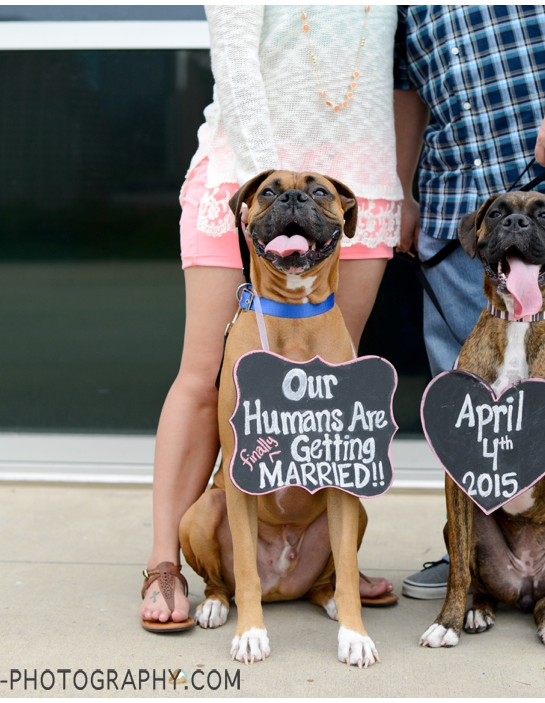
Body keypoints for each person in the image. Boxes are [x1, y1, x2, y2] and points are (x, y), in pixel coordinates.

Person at [140, 5, 403, 630]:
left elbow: (401, 80)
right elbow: (233, 62)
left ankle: (319, 562)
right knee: (206, 382)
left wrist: (399, 183)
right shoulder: (260, 200)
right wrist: (272, 207)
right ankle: (167, 563)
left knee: (325, 403)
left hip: (357, 189)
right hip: (248, 185)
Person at [393, 5, 545, 625]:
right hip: (458, 194)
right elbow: (408, 80)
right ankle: (476, 560)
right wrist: (403, 188)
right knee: (470, 405)